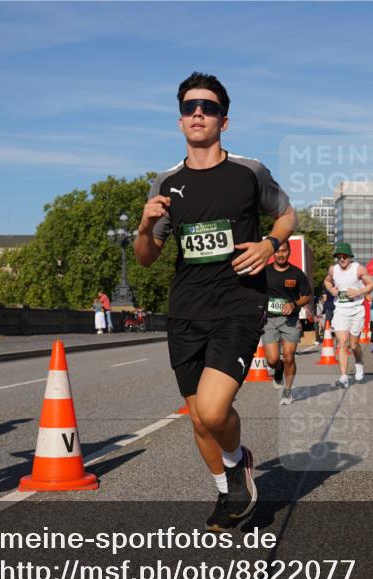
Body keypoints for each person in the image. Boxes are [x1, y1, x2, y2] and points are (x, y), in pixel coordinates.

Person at [134, 72, 296, 531]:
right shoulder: (165, 181)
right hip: (185, 311)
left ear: (225, 119)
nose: (197, 113)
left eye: (207, 106)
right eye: (189, 107)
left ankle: (238, 460)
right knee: (199, 420)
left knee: (211, 408)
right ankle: (229, 492)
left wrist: (268, 243)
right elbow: (146, 259)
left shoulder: (248, 172)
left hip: (238, 304)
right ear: (180, 119)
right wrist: (144, 228)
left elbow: (287, 213)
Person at [263, 240, 311, 405]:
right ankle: (278, 369)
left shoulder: (297, 274)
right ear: (273, 253)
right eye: (277, 251)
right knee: (272, 360)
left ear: (289, 252)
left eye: (284, 251)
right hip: (269, 320)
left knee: (289, 356)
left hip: (290, 320)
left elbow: (307, 296)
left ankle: (288, 391)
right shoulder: (264, 272)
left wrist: (294, 304)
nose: (280, 254)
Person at [323, 243, 373, 389]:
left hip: (357, 309)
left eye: (344, 256)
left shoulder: (358, 269)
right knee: (342, 343)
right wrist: (331, 288)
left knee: (354, 345)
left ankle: (359, 363)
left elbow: (371, 284)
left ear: (350, 257)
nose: (341, 259)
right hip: (340, 310)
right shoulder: (333, 270)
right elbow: (326, 281)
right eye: (338, 256)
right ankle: (344, 376)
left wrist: (359, 292)